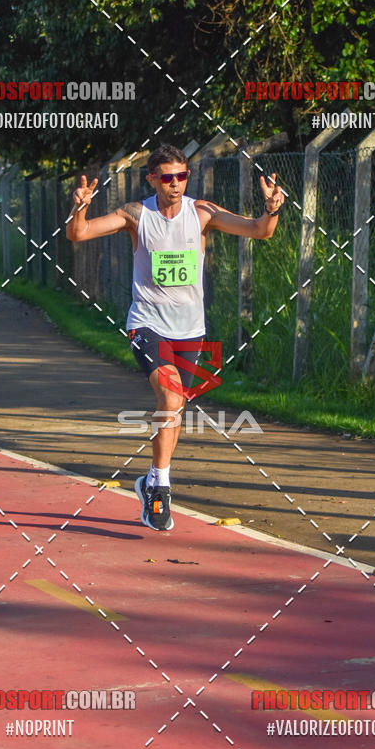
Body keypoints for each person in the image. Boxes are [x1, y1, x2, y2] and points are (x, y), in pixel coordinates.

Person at [66, 144, 284, 531]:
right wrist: (80, 206)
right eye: (167, 177)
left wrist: (271, 209)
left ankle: (150, 479)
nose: (176, 185)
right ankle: (162, 488)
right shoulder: (136, 214)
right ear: (152, 179)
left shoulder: (203, 213)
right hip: (147, 324)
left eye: (182, 176)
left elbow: (260, 232)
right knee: (169, 396)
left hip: (190, 330)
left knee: (175, 407)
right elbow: (78, 234)